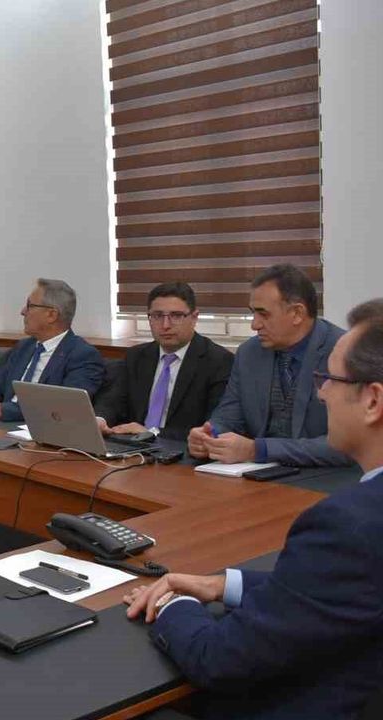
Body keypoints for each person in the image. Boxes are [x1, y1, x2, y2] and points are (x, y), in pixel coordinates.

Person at [124, 299, 383, 720]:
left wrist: (171, 605)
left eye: (330, 379)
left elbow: (219, 660)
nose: (321, 393)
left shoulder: (345, 526)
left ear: (372, 400)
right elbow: (339, 588)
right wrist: (222, 585)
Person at [187, 264, 352, 467]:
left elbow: (349, 445)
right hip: (257, 474)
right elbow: (229, 415)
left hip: (327, 477)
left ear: (297, 313)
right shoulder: (249, 353)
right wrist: (209, 435)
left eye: (263, 314)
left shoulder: (345, 353)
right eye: (253, 313)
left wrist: (258, 450)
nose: (254, 324)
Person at [93, 282, 234, 441]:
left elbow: (212, 428)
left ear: (194, 317)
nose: (165, 325)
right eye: (157, 316)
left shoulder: (218, 362)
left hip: (179, 449)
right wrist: (100, 420)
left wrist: (151, 433)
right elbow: (113, 400)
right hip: (132, 446)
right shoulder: (136, 356)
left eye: (176, 316)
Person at [0, 278, 105, 422]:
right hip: (0, 425)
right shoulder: (24, 347)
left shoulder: (82, 355)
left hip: (38, 431)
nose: (22, 311)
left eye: (29, 306)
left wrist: (0, 410)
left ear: (51, 315)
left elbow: (65, 407)